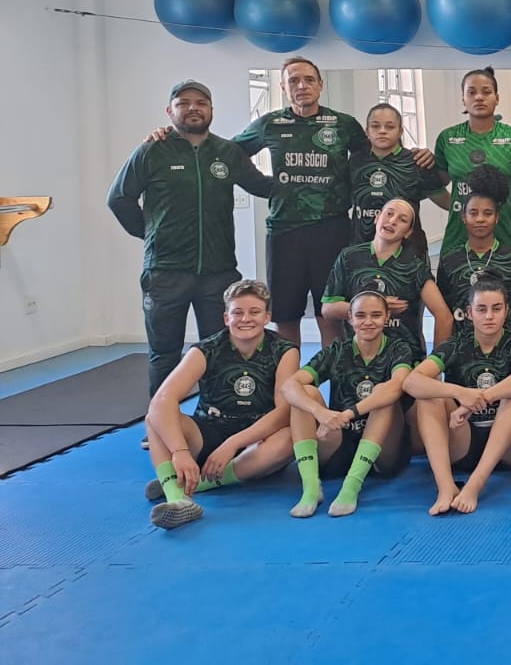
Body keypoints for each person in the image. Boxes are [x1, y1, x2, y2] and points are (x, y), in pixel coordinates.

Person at [108, 80, 274, 399]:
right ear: (170, 111)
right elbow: (119, 198)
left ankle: (216, 416)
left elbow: (264, 187)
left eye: (201, 102)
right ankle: (162, 425)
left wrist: (315, 181)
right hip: (165, 273)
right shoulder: (152, 150)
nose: (193, 107)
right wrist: (151, 234)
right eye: (184, 103)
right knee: (164, 353)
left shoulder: (227, 152)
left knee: (219, 350)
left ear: (212, 110)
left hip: (218, 272)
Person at [233, 58, 402, 348]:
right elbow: (229, 154)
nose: (302, 86)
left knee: (331, 313)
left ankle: (338, 385)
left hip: (332, 229)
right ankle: (290, 385)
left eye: (309, 79)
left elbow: (375, 157)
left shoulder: (343, 124)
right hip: (284, 231)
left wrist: (413, 155)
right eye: (294, 80)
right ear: (283, 87)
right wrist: (266, 187)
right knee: (286, 315)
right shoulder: (271, 124)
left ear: (320, 85)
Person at [142, 279, 298, 530]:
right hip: (209, 429)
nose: (245, 319)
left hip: (255, 440)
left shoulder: (284, 351)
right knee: (155, 417)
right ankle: (178, 499)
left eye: (254, 312)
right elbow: (162, 399)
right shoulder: (206, 349)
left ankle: (191, 482)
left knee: (292, 435)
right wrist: (180, 452)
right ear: (226, 318)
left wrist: (234, 443)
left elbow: (283, 412)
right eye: (238, 312)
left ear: (267, 316)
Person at [404, 278, 511, 515]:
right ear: (469, 313)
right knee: (428, 395)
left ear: (506, 311)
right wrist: (460, 393)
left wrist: (481, 398)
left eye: (496, 309)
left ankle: (475, 484)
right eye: (481, 309)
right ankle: (446, 487)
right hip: (463, 442)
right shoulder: (456, 344)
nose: (489, 316)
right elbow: (411, 381)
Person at [281, 290, 416, 518]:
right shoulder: (338, 350)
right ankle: (311, 488)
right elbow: (288, 386)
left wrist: (349, 413)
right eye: (361, 315)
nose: (368, 322)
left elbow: (397, 386)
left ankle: (351, 486)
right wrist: (320, 412)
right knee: (305, 393)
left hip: (385, 449)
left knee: (385, 395)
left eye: (375, 315)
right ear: (350, 318)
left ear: (386, 318)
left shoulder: (399, 348)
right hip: (339, 441)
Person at [322, 198, 452, 352]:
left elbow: (444, 317)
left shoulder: (415, 266)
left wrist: (435, 367)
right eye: (389, 214)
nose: (393, 221)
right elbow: (328, 309)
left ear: (408, 232)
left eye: (402, 220)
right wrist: (375, 306)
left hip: (404, 357)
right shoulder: (349, 257)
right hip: (359, 359)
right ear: (377, 218)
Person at [431, 67, 511, 255]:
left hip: (508, 234)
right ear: (463, 99)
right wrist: (459, 206)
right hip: (460, 237)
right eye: (471, 92)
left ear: (497, 98)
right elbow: (437, 184)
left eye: (486, 92)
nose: (479, 97)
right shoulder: (447, 138)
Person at [436, 166, 511, 335]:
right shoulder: (450, 259)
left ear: (497, 217)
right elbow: (445, 307)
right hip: (462, 345)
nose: (480, 219)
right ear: (464, 217)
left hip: (506, 344)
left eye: (488, 213)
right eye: (473, 213)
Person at [349, 102, 447, 245]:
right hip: (362, 246)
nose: (382, 131)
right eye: (375, 126)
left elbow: (445, 200)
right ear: (367, 131)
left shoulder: (417, 162)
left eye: (390, 126)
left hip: (407, 250)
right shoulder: (355, 161)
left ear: (400, 131)